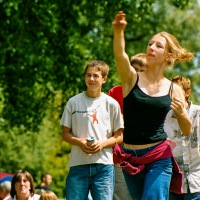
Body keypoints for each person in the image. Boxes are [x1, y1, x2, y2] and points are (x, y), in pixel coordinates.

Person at [112, 11, 193, 199]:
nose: (151, 47)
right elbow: (120, 55)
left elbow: (187, 129)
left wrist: (181, 113)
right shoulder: (131, 78)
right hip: (130, 157)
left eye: (158, 45)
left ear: (168, 55)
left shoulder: (174, 89)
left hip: (158, 156)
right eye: (150, 44)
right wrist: (118, 31)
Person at [60, 60, 124, 200]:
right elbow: (65, 134)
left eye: (96, 76)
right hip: (78, 165)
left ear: (104, 79)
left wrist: (102, 144)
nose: (91, 79)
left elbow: (119, 136)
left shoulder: (111, 104)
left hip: (104, 167)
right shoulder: (73, 102)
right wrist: (80, 142)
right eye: (88, 75)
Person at [108, 53, 147, 200]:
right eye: (134, 69)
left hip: (145, 155)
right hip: (120, 155)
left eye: (141, 70)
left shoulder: (151, 94)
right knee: (122, 195)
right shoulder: (115, 92)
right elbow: (109, 123)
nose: (136, 73)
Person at [164, 75, 200, 200]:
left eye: (176, 91)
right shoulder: (165, 116)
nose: (172, 95)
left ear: (187, 92)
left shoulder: (198, 112)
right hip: (171, 181)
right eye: (170, 92)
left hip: (196, 180)